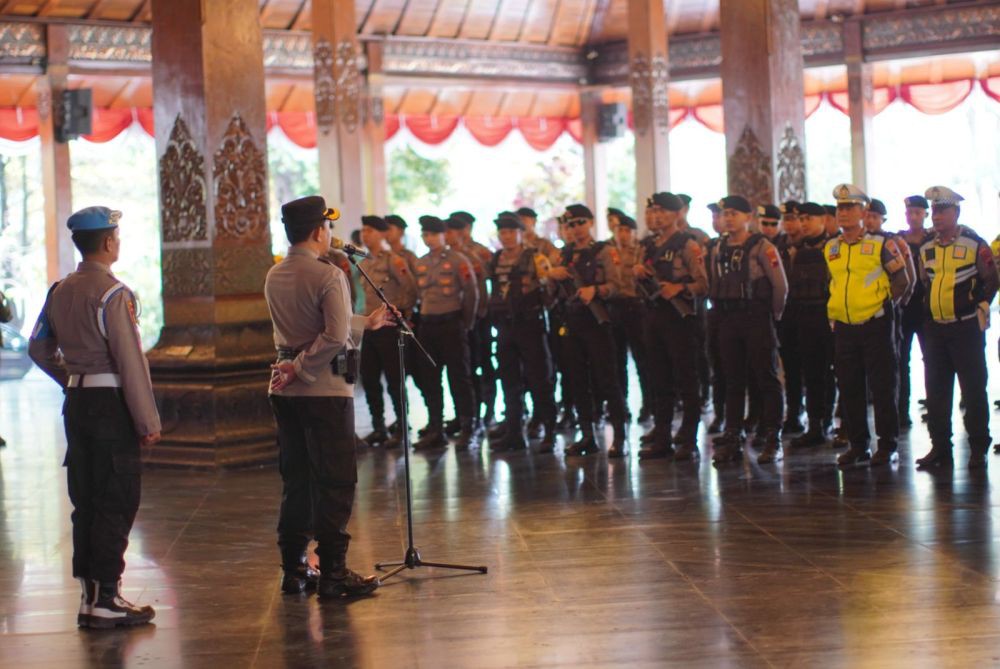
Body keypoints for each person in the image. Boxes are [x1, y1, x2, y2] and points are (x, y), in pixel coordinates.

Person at [28, 206, 160, 627]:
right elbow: (129, 360)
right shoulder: (112, 293)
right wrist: (147, 421)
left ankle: (90, 597)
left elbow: (37, 349)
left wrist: (70, 376)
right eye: (116, 237)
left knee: (85, 499)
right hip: (110, 408)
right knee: (115, 499)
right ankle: (108, 597)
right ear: (107, 242)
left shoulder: (58, 291)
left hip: (77, 404)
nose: (117, 243)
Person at [266, 196, 392, 599]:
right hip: (321, 389)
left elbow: (312, 325)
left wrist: (364, 323)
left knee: (297, 479)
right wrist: (304, 367)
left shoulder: (276, 273)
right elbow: (334, 336)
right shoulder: (329, 274)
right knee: (335, 480)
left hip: (284, 389)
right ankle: (335, 574)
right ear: (320, 231)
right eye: (329, 228)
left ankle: (294, 568)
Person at [825, 184, 912, 467]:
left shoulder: (881, 244)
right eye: (840, 208)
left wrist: (883, 307)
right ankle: (858, 445)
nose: (843, 213)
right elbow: (835, 283)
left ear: (864, 211)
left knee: (883, 387)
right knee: (849, 387)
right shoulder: (832, 247)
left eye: (850, 207)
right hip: (845, 328)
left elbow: (903, 281)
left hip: (876, 324)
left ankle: (887, 445)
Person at [914, 186, 998, 469]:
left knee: (973, 390)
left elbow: (991, 279)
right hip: (935, 329)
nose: (936, 216)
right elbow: (925, 282)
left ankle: (978, 447)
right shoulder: (926, 247)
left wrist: (982, 305)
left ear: (956, 212)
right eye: (934, 210)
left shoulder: (975, 244)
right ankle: (940, 447)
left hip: (966, 329)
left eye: (942, 210)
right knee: (936, 391)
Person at [707, 196, 788, 464]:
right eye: (724, 213)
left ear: (748, 217)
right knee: (733, 380)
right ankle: (733, 436)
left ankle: (773, 436)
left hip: (756, 317)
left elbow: (780, 287)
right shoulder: (718, 247)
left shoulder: (761, 246)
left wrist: (773, 316)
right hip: (728, 318)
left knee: (766, 378)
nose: (728, 218)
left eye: (734, 213)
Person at [547, 204, 628, 457]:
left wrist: (597, 290)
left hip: (597, 322)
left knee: (607, 380)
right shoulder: (564, 254)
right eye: (570, 225)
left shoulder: (604, 251)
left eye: (580, 223)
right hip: (572, 322)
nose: (575, 229)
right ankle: (587, 435)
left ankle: (619, 437)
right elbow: (551, 293)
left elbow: (618, 284)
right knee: (577, 380)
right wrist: (553, 276)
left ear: (590, 223)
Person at [634, 192, 709, 461]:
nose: (656, 216)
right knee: (658, 379)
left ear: (677, 214)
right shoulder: (647, 246)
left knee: (687, 379)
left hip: (681, 319)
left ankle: (688, 438)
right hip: (653, 317)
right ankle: (662, 436)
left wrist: (680, 287)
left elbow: (704, 283)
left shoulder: (689, 244)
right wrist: (639, 273)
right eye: (653, 211)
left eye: (662, 211)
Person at [486, 211, 557, 452]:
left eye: (510, 232)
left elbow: (550, 291)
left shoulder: (535, 258)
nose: (505, 237)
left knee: (540, 379)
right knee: (509, 381)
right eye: (502, 233)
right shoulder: (496, 259)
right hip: (506, 326)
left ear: (520, 233)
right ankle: (514, 432)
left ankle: (549, 431)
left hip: (531, 325)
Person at [412, 215, 481, 450]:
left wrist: (467, 323)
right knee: (430, 378)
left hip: (451, 324)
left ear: (443, 235)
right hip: (427, 325)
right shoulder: (420, 262)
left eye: (432, 234)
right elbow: (417, 295)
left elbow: (471, 293)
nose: (428, 238)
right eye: (425, 234)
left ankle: (468, 427)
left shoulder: (458, 260)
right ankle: (436, 429)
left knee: (459, 378)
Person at [357, 215, 417, 449]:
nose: (365, 234)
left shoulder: (394, 260)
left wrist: (402, 313)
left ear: (382, 233)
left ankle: (402, 428)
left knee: (395, 380)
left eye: (370, 230)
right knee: (369, 377)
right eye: (363, 230)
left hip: (390, 327)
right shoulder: (363, 260)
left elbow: (410, 289)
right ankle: (378, 427)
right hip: (371, 326)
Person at [785, 202, 834, 448]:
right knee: (811, 372)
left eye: (808, 219)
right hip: (803, 316)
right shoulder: (795, 249)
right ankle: (815, 423)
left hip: (829, 316)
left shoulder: (833, 245)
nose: (803, 224)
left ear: (822, 220)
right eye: (800, 219)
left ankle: (834, 422)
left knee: (833, 373)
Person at [447, 211, 498, 429]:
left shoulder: (481, 253)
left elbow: (487, 287)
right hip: (457, 317)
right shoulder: (447, 255)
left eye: (454, 230)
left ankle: (489, 410)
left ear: (466, 229)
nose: (449, 235)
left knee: (483, 363)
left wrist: (480, 314)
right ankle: (467, 413)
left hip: (479, 317)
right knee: (462, 367)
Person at [608, 208, 653, 424]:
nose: (623, 234)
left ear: (634, 233)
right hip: (615, 308)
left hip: (636, 308)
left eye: (627, 230)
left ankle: (648, 404)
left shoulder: (642, 251)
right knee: (617, 361)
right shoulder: (608, 252)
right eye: (620, 230)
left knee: (642, 359)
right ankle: (621, 405)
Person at [897, 195, 934, 427]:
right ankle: (902, 409)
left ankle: (935, 405)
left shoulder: (933, 239)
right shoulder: (899, 240)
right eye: (910, 212)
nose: (913, 217)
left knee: (932, 360)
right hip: (905, 308)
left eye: (918, 213)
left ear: (925, 215)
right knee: (901, 360)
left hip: (927, 307)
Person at [774, 202, 806, 434]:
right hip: (786, 314)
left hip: (809, 311)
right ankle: (793, 412)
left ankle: (819, 418)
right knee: (791, 367)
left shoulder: (812, 245)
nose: (790, 224)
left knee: (814, 367)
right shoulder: (778, 245)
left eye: (794, 218)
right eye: (786, 219)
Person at [705, 202, 727, 434]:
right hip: (717, 311)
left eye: (719, 215)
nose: (717, 220)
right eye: (714, 216)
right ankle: (721, 414)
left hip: (742, 314)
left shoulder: (752, 245)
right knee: (718, 367)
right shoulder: (711, 246)